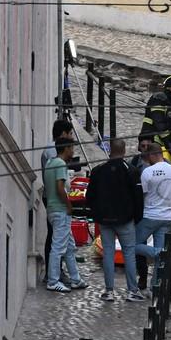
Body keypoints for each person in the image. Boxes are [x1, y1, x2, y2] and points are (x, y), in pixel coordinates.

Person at [83, 138, 141, 301]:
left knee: (108, 253)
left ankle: (109, 291)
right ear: (124, 151)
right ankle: (132, 290)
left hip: (104, 219)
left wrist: (97, 215)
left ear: (110, 151)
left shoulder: (98, 171)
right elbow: (138, 198)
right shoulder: (132, 171)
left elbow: (90, 197)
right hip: (125, 219)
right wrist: (136, 218)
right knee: (129, 253)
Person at [135, 143, 171, 295]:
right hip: (168, 217)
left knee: (130, 245)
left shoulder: (147, 172)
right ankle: (155, 288)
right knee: (159, 261)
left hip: (149, 216)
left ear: (151, 155)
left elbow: (141, 196)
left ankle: (156, 252)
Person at [43, 139, 82, 292]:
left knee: (70, 247)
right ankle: (53, 281)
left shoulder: (50, 163)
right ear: (66, 148)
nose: (73, 152)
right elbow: (60, 188)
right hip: (60, 211)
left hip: (53, 210)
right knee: (58, 247)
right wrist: (68, 205)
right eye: (72, 148)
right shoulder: (60, 164)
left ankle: (75, 279)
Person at [41, 119, 76, 282]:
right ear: (62, 134)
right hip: (57, 204)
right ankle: (53, 277)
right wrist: (68, 206)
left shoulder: (53, 156)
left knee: (66, 243)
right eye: (69, 134)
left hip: (54, 202)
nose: (71, 138)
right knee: (56, 241)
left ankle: (70, 276)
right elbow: (58, 186)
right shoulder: (55, 157)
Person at [141, 75, 171, 158]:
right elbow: (159, 122)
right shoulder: (159, 98)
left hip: (164, 146)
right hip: (151, 141)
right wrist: (168, 143)